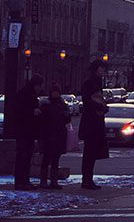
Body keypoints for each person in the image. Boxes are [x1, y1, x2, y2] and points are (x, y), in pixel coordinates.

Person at [78, 59, 109, 190]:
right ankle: (86, 180)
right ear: (96, 69)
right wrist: (100, 106)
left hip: (95, 120)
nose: (103, 71)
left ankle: (88, 179)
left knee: (91, 152)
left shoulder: (95, 82)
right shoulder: (90, 82)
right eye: (101, 68)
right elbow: (87, 101)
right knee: (89, 152)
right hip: (91, 121)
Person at [13, 73, 44, 189]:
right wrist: (33, 111)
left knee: (26, 156)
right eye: (38, 85)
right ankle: (21, 181)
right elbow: (18, 111)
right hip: (24, 130)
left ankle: (24, 180)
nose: (39, 88)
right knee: (23, 156)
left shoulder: (29, 94)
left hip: (28, 130)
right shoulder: (26, 95)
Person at [39, 84, 71, 188]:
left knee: (56, 159)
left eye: (57, 92)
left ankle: (54, 181)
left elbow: (67, 120)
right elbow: (42, 120)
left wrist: (67, 115)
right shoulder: (46, 104)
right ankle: (43, 181)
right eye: (54, 92)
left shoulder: (62, 104)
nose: (55, 94)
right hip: (48, 134)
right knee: (46, 158)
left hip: (59, 134)